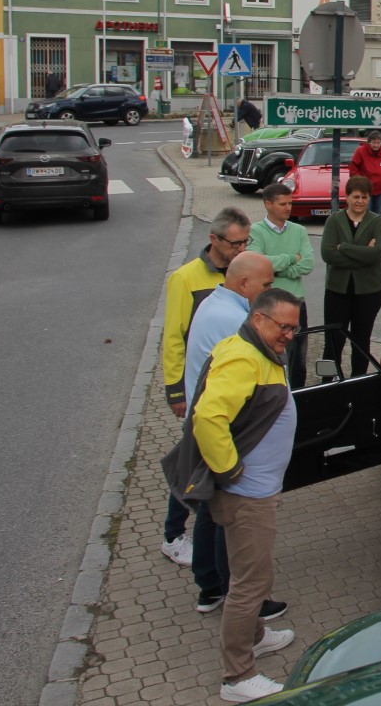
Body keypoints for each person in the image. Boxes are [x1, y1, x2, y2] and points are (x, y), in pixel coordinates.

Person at [177, 288, 300, 702]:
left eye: (294, 328)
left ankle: (258, 637)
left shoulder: (255, 349)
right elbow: (208, 417)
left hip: (255, 491)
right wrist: (230, 468)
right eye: (283, 326)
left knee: (248, 575)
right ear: (258, 319)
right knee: (251, 584)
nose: (289, 334)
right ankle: (237, 676)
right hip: (248, 496)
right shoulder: (243, 357)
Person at [182, 252, 284, 620]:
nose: (271, 290)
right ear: (245, 285)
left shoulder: (214, 301)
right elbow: (216, 409)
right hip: (225, 435)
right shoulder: (235, 320)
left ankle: (210, 584)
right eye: (267, 284)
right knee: (226, 521)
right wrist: (231, 469)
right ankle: (231, 593)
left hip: (214, 427)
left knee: (211, 512)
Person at [160, 208, 251, 567]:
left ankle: (202, 529)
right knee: (192, 466)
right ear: (214, 240)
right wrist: (176, 392)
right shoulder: (186, 279)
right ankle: (173, 534)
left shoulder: (239, 274)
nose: (241, 249)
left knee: (198, 463)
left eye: (246, 241)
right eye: (235, 243)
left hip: (227, 394)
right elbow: (173, 338)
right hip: (199, 394)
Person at [244, 184, 315, 390]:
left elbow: (308, 264)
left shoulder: (299, 231)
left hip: (296, 302)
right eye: (283, 204)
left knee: (298, 357)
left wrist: (279, 270)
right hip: (268, 305)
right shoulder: (256, 231)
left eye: (290, 203)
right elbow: (258, 263)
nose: (288, 208)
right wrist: (291, 258)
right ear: (268, 204)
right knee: (267, 353)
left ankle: (297, 395)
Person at [320, 176, 381, 380]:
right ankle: (325, 381)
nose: (360, 201)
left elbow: (378, 253)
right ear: (347, 197)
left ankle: (358, 380)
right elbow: (327, 254)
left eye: (364, 197)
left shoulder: (376, 221)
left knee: (361, 339)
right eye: (355, 196)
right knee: (333, 340)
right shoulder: (334, 220)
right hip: (337, 291)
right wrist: (363, 254)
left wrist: (345, 248)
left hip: (369, 292)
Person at [348, 130, 381, 216]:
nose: (376, 145)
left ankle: (375, 229)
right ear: (369, 142)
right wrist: (360, 182)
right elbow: (353, 168)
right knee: (366, 214)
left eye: (378, 143)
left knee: (377, 214)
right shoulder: (361, 151)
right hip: (365, 190)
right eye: (374, 143)